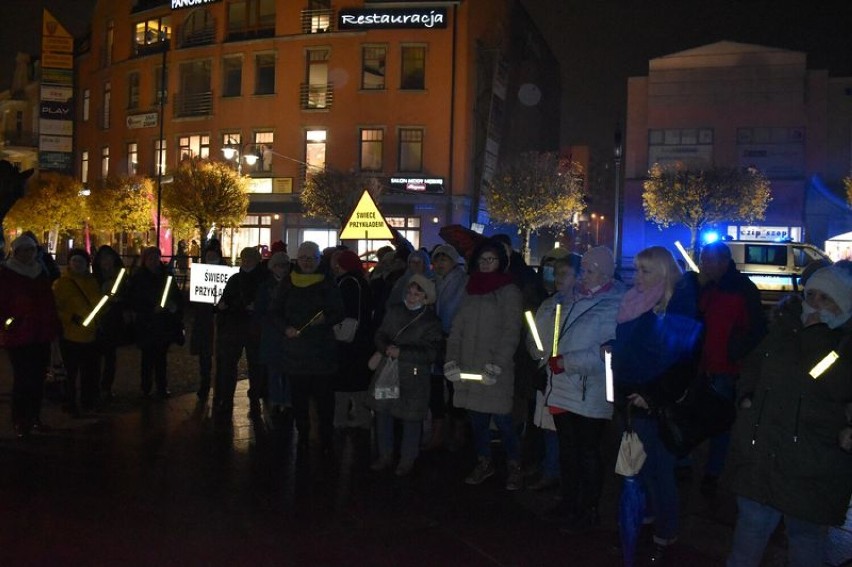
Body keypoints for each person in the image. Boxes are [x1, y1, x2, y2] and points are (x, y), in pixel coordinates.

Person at [725, 265, 852, 567]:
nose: (815, 304)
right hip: (763, 454)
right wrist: (746, 398)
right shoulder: (783, 330)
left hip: (811, 465)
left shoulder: (842, 343)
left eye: (826, 298)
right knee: (748, 539)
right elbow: (755, 366)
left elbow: (835, 383)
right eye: (811, 295)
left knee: (805, 542)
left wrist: (816, 335)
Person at [611, 246, 702, 563]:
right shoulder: (635, 301)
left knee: (660, 470)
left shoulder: (677, 304)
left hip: (653, 406)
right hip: (628, 399)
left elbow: (681, 363)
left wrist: (652, 395)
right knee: (637, 466)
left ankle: (666, 531)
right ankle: (643, 519)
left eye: (645, 270)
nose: (637, 276)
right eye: (636, 269)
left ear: (664, 272)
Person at [536, 247, 625, 531]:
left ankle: (589, 508)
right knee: (568, 450)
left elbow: (607, 352)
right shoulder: (573, 299)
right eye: (582, 269)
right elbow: (550, 338)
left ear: (605, 272)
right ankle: (569, 502)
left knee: (587, 451)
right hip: (562, 387)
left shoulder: (615, 303)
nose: (583, 276)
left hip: (590, 388)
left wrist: (568, 362)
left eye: (589, 270)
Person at [445, 238, 524, 490]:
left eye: (492, 259)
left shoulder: (509, 291)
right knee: (477, 421)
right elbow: (457, 329)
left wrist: (498, 363)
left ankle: (514, 465)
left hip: (493, 369)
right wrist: (451, 359)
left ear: (501, 262)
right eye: (482, 260)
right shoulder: (471, 289)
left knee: (503, 421)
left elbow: (511, 331)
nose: (487, 264)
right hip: (469, 367)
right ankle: (484, 462)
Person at [695, 241, 766, 496]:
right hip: (707, 364)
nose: (703, 264)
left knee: (721, 421)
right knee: (705, 417)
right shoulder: (711, 287)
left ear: (723, 261)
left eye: (707, 260)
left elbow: (756, 330)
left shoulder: (742, 290)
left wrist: (734, 353)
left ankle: (713, 471)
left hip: (725, 366)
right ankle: (703, 467)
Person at [272, 241, 344, 458]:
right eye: (303, 258)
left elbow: (339, 311)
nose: (307, 262)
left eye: (312, 258)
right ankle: (303, 437)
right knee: (299, 401)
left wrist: (326, 319)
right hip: (296, 353)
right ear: (297, 260)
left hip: (322, 354)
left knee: (324, 402)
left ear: (318, 260)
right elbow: (274, 311)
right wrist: (286, 329)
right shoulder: (288, 282)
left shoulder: (327, 282)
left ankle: (326, 439)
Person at [370, 274, 443, 476]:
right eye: (410, 293)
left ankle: (407, 459)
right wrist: (386, 348)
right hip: (389, 369)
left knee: (411, 418)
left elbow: (431, 352)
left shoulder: (431, 322)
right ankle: (385, 455)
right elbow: (380, 334)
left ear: (426, 297)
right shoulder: (394, 311)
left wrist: (402, 352)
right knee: (383, 413)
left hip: (414, 375)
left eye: (417, 293)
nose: (412, 297)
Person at [0, 235, 61, 437]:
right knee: (23, 378)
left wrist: (52, 326)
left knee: (37, 378)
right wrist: (10, 322)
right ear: (16, 252)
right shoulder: (7, 273)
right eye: (24, 251)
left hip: (40, 333)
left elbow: (48, 302)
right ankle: (20, 419)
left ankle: (34, 417)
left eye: (31, 250)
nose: (28, 254)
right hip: (19, 334)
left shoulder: (39, 272)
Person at [214, 246, 270, 418]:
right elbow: (226, 298)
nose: (246, 261)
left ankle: (254, 398)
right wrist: (223, 305)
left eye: (249, 259)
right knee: (230, 364)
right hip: (235, 326)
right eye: (244, 258)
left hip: (252, 327)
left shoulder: (262, 279)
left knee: (255, 365)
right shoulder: (236, 278)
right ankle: (227, 399)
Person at [426, 244, 468, 451]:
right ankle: (438, 429)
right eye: (437, 259)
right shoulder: (431, 282)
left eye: (445, 259)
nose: (440, 263)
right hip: (434, 341)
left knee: (454, 385)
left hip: (455, 341)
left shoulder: (463, 282)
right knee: (434, 386)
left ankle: (457, 429)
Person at [127, 247, 183, 399]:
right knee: (147, 358)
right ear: (145, 260)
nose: (153, 261)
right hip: (146, 323)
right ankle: (146, 387)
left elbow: (176, 296)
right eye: (150, 258)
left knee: (161, 358)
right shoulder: (138, 278)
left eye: (156, 258)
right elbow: (134, 300)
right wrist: (151, 309)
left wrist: (173, 306)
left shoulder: (166, 276)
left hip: (163, 323)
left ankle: (161, 387)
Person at [330, 249, 374, 439]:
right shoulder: (360, 281)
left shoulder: (348, 282)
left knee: (345, 380)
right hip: (360, 341)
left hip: (350, 342)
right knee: (357, 380)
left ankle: (343, 418)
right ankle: (360, 417)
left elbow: (347, 312)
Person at [52, 248, 103, 416]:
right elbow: (55, 308)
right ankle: (70, 402)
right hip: (70, 335)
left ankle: (87, 401)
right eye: (74, 261)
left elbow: (98, 304)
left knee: (90, 372)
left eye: (80, 261)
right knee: (71, 373)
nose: (77, 264)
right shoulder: (61, 284)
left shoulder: (92, 282)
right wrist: (70, 318)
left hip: (90, 335)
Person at [92, 245, 129, 399]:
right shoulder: (94, 277)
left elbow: (128, 295)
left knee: (110, 356)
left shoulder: (121, 276)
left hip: (113, 319)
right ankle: (94, 387)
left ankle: (106, 387)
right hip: (96, 319)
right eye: (103, 258)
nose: (106, 261)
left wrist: (120, 302)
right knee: (95, 356)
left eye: (109, 257)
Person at [257, 250, 291, 413]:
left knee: (287, 369)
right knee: (274, 369)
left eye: (285, 266)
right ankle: (276, 399)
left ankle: (286, 399)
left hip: (286, 332)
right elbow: (261, 309)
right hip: (272, 332)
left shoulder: (291, 284)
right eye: (279, 266)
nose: (282, 269)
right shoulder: (266, 286)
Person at [190, 244, 225, 401]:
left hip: (221, 322)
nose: (210, 258)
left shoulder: (226, 273)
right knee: (204, 357)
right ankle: (204, 385)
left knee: (221, 357)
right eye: (208, 255)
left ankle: (219, 388)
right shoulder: (200, 273)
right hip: (204, 321)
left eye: (213, 255)